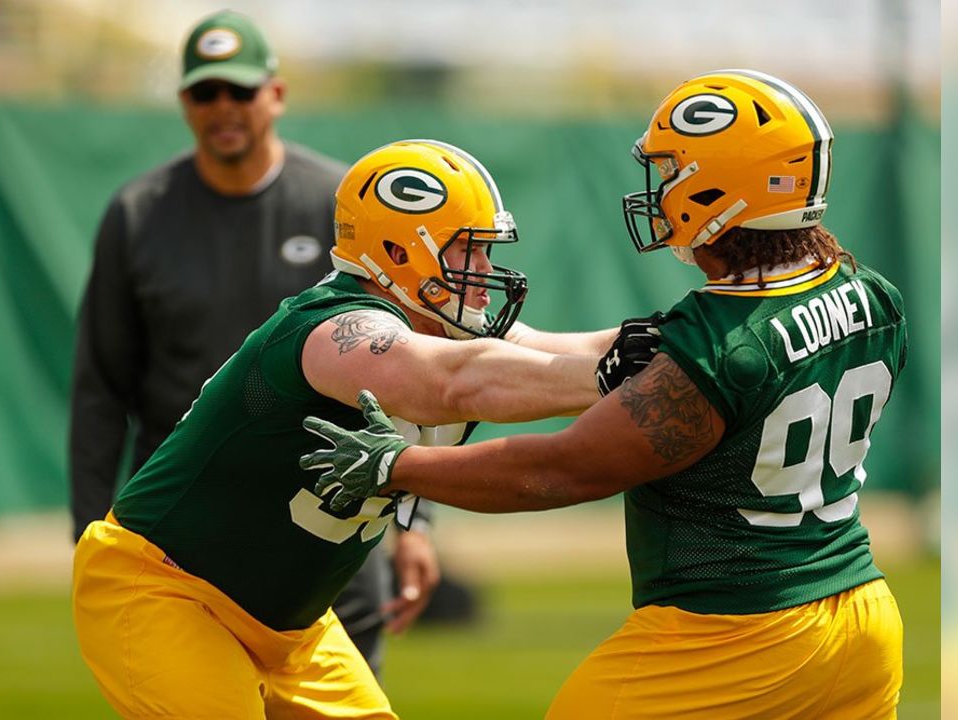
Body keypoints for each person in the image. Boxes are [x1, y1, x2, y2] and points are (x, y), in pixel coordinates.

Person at [301, 70, 908, 719]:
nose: (660, 189)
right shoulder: (871, 294)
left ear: (721, 187)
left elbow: (563, 470)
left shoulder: (724, 344)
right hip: (863, 618)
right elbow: (640, 363)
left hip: (728, 636)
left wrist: (398, 468)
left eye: (674, 171)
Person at [72, 138, 628, 718]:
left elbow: (571, 351)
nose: (486, 269)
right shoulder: (335, 331)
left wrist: (695, 333)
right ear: (397, 250)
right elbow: (457, 384)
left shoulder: (439, 329)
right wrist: (612, 375)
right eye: (468, 249)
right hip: (170, 589)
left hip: (292, 627)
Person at [66, 9, 436, 675]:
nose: (223, 107)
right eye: (206, 92)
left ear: (277, 94)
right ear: (184, 101)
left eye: (240, 90)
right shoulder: (139, 213)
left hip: (326, 519)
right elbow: (101, 389)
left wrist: (416, 520)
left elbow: (409, 372)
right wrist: (88, 538)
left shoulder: (342, 204)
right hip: (185, 536)